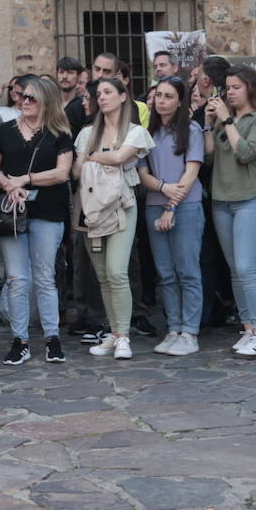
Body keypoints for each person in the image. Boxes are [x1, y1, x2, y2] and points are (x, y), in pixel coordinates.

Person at [0, 75, 75, 365]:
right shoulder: (4, 131)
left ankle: (52, 338)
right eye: (22, 96)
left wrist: (26, 179)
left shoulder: (59, 133)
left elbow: (62, 173)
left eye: (31, 97)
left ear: (46, 101)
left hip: (48, 210)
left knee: (44, 276)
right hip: (12, 211)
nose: (23, 101)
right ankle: (20, 340)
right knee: (15, 278)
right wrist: (9, 186)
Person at [74, 77, 155, 360]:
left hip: (122, 205)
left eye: (108, 92)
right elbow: (75, 170)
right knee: (102, 275)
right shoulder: (86, 134)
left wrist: (94, 158)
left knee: (117, 270)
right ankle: (114, 333)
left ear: (123, 97)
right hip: (92, 206)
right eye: (99, 94)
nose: (102, 97)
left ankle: (123, 336)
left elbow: (121, 157)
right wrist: (99, 157)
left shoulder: (135, 132)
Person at [204, 66, 256, 357]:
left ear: (250, 88)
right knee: (235, 270)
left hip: (253, 198)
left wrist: (226, 121)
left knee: (248, 267)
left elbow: (245, 153)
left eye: (236, 87)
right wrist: (211, 125)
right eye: (227, 87)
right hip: (222, 199)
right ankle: (247, 328)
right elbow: (210, 156)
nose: (230, 92)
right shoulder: (226, 121)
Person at [137, 76, 205, 356]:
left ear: (180, 101)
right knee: (165, 273)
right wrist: (163, 190)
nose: (161, 101)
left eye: (168, 96)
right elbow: (142, 174)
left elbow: (190, 173)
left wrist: (171, 207)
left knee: (187, 271)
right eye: (159, 95)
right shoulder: (146, 133)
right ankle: (173, 328)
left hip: (186, 206)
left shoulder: (191, 130)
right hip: (154, 204)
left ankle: (190, 332)